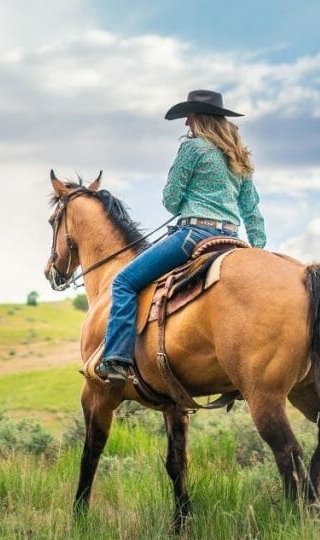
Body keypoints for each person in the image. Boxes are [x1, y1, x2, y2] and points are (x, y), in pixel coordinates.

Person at [96, 89, 267, 384]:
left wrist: (187, 199)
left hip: (194, 235)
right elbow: (251, 210)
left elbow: (171, 200)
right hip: (232, 238)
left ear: (199, 118)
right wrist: (258, 250)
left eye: (189, 117)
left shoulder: (193, 149)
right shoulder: (237, 156)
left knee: (124, 282)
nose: (186, 124)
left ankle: (117, 359)